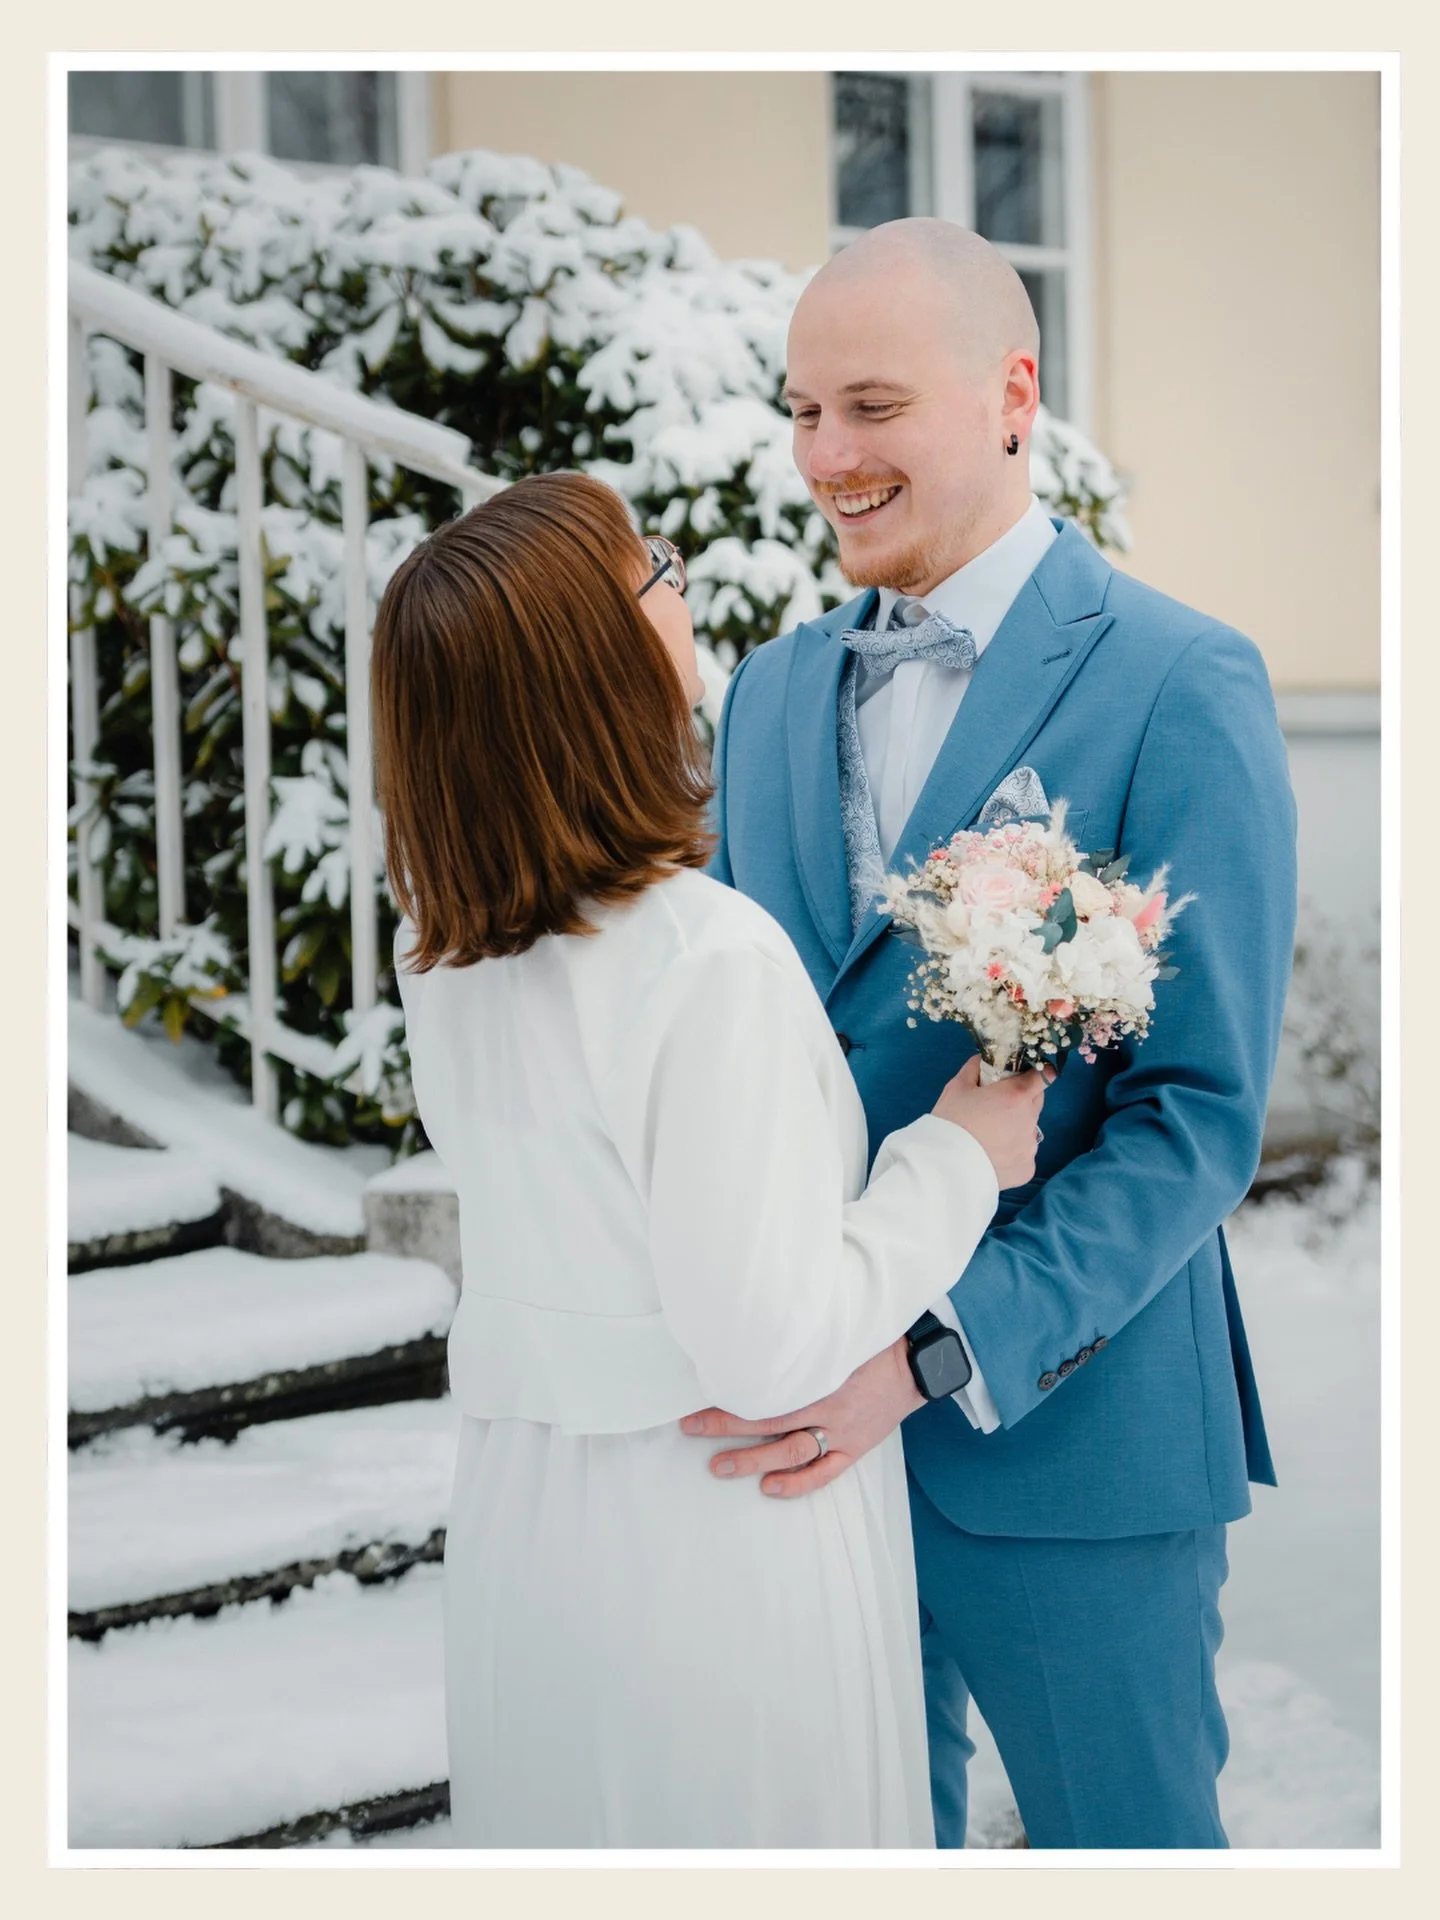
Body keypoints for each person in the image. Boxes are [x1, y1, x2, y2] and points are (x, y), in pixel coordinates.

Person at [689, 218, 1298, 1849]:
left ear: (1011, 394)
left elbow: (1196, 1119)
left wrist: (934, 1352)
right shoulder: (759, 693)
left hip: (1070, 1448)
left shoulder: (1184, 680)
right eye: (803, 411)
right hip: (810, 1456)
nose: (827, 456)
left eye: (871, 407)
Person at [371, 468, 1048, 1848]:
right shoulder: (702, 956)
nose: (679, 591)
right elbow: (769, 1340)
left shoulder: (445, 953)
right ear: (593, 669)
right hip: (712, 1542)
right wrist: (961, 1159)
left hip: (533, 1527)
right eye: (652, 573)